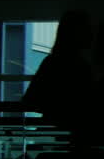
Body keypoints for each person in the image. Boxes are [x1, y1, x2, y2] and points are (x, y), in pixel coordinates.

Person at [22, 10, 96, 142]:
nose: (92, 34)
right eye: (88, 30)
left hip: (51, 133)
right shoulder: (82, 66)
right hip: (74, 134)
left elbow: (31, 100)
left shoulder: (52, 62)